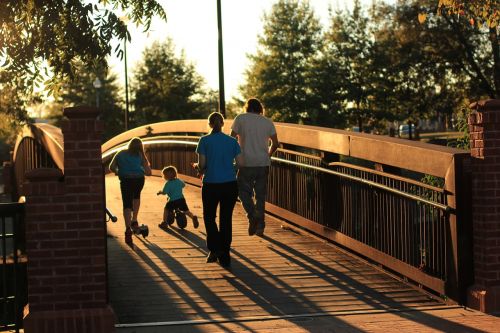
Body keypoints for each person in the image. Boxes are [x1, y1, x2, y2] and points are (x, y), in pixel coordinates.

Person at [194, 112, 243, 268]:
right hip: (229, 184)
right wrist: (228, 167)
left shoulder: (204, 141)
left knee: (209, 217)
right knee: (225, 219)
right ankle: (225, 253)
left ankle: (214, 249)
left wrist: (199, 168)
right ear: (222, 124)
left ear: (209, 124)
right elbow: (240, 163)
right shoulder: (232, 141)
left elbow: (202, 165)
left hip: (211, 184)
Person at [231, 98, 279, 237]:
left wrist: (235, 155)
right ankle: (260, 228)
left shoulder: (240, 119)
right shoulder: (267, 122)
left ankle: (252, 216)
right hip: (262, 163)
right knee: (260, 196)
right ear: (260, 109)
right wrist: (268, 155)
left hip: (245, 162)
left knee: (242, 191)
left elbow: (231, 139)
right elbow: (275, 143)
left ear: (247, 108)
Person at [109, 137, 152, 247]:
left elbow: (111, 167)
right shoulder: (140, 155)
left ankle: (128, 229)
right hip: (138, 179)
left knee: (127, 203)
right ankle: (134, 220)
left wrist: (119, 171)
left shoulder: (120, 153)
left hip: (125, 180)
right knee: (136, 197)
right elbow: (148, 172)